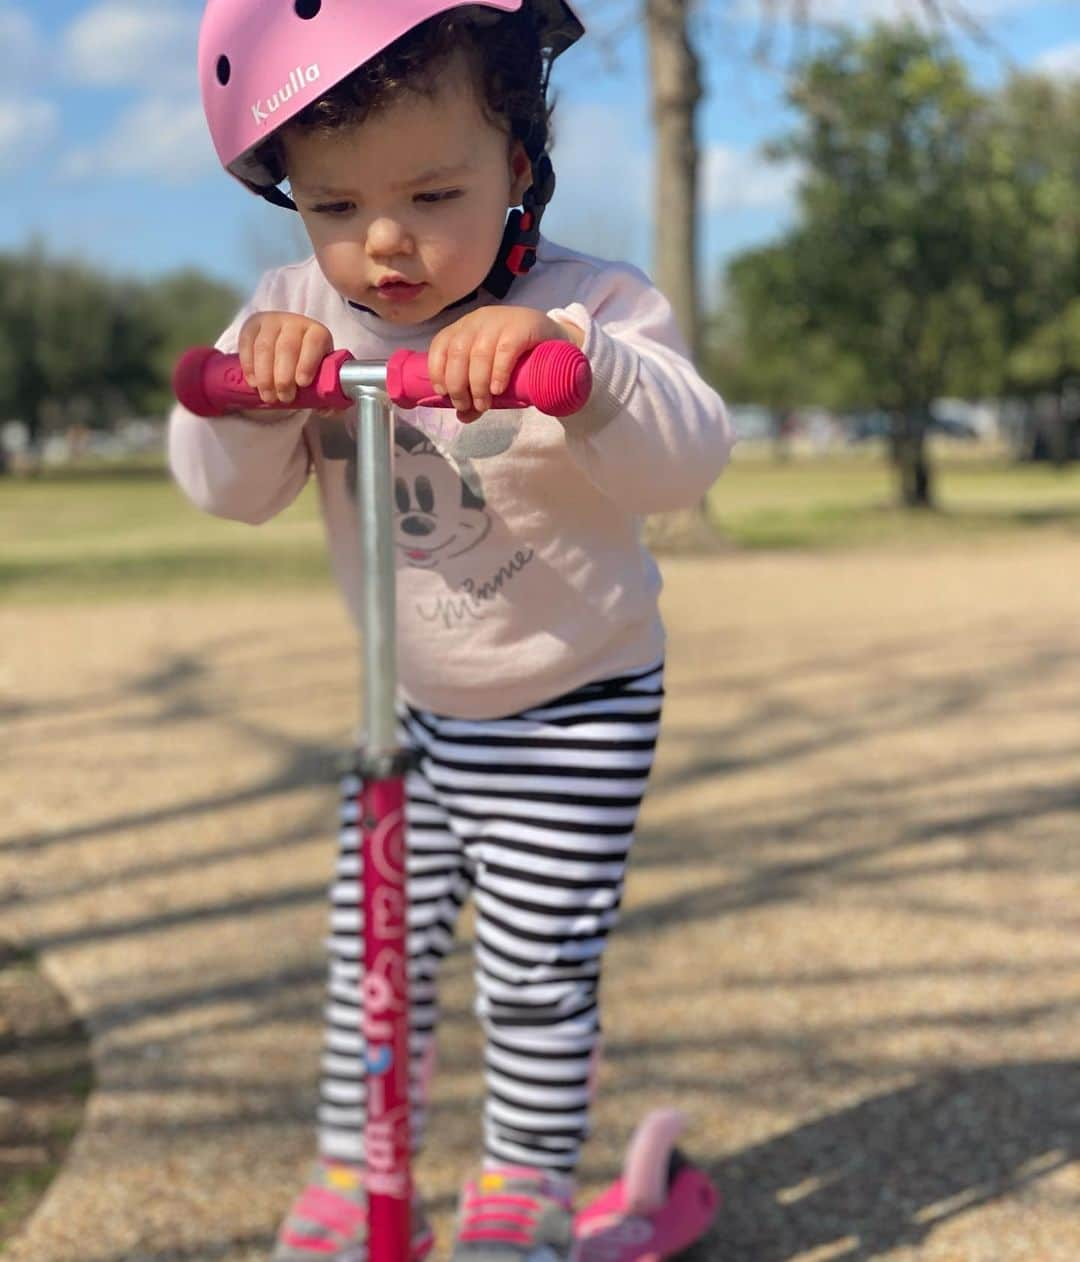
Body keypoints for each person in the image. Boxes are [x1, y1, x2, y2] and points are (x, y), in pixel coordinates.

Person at [170, 2, 735, 1258]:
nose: (383, 245)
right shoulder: (291, 317)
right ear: (292, 202)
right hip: (408, 710)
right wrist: (252, 399)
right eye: (332, 208)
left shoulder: (592, 302)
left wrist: (578, 367)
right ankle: (350, 1172)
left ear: (518, 169)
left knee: (534, 962)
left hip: (573, 698)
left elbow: (684, 458)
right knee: (377, 951)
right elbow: (226, 489)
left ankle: (521, 1184)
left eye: (433, 194)